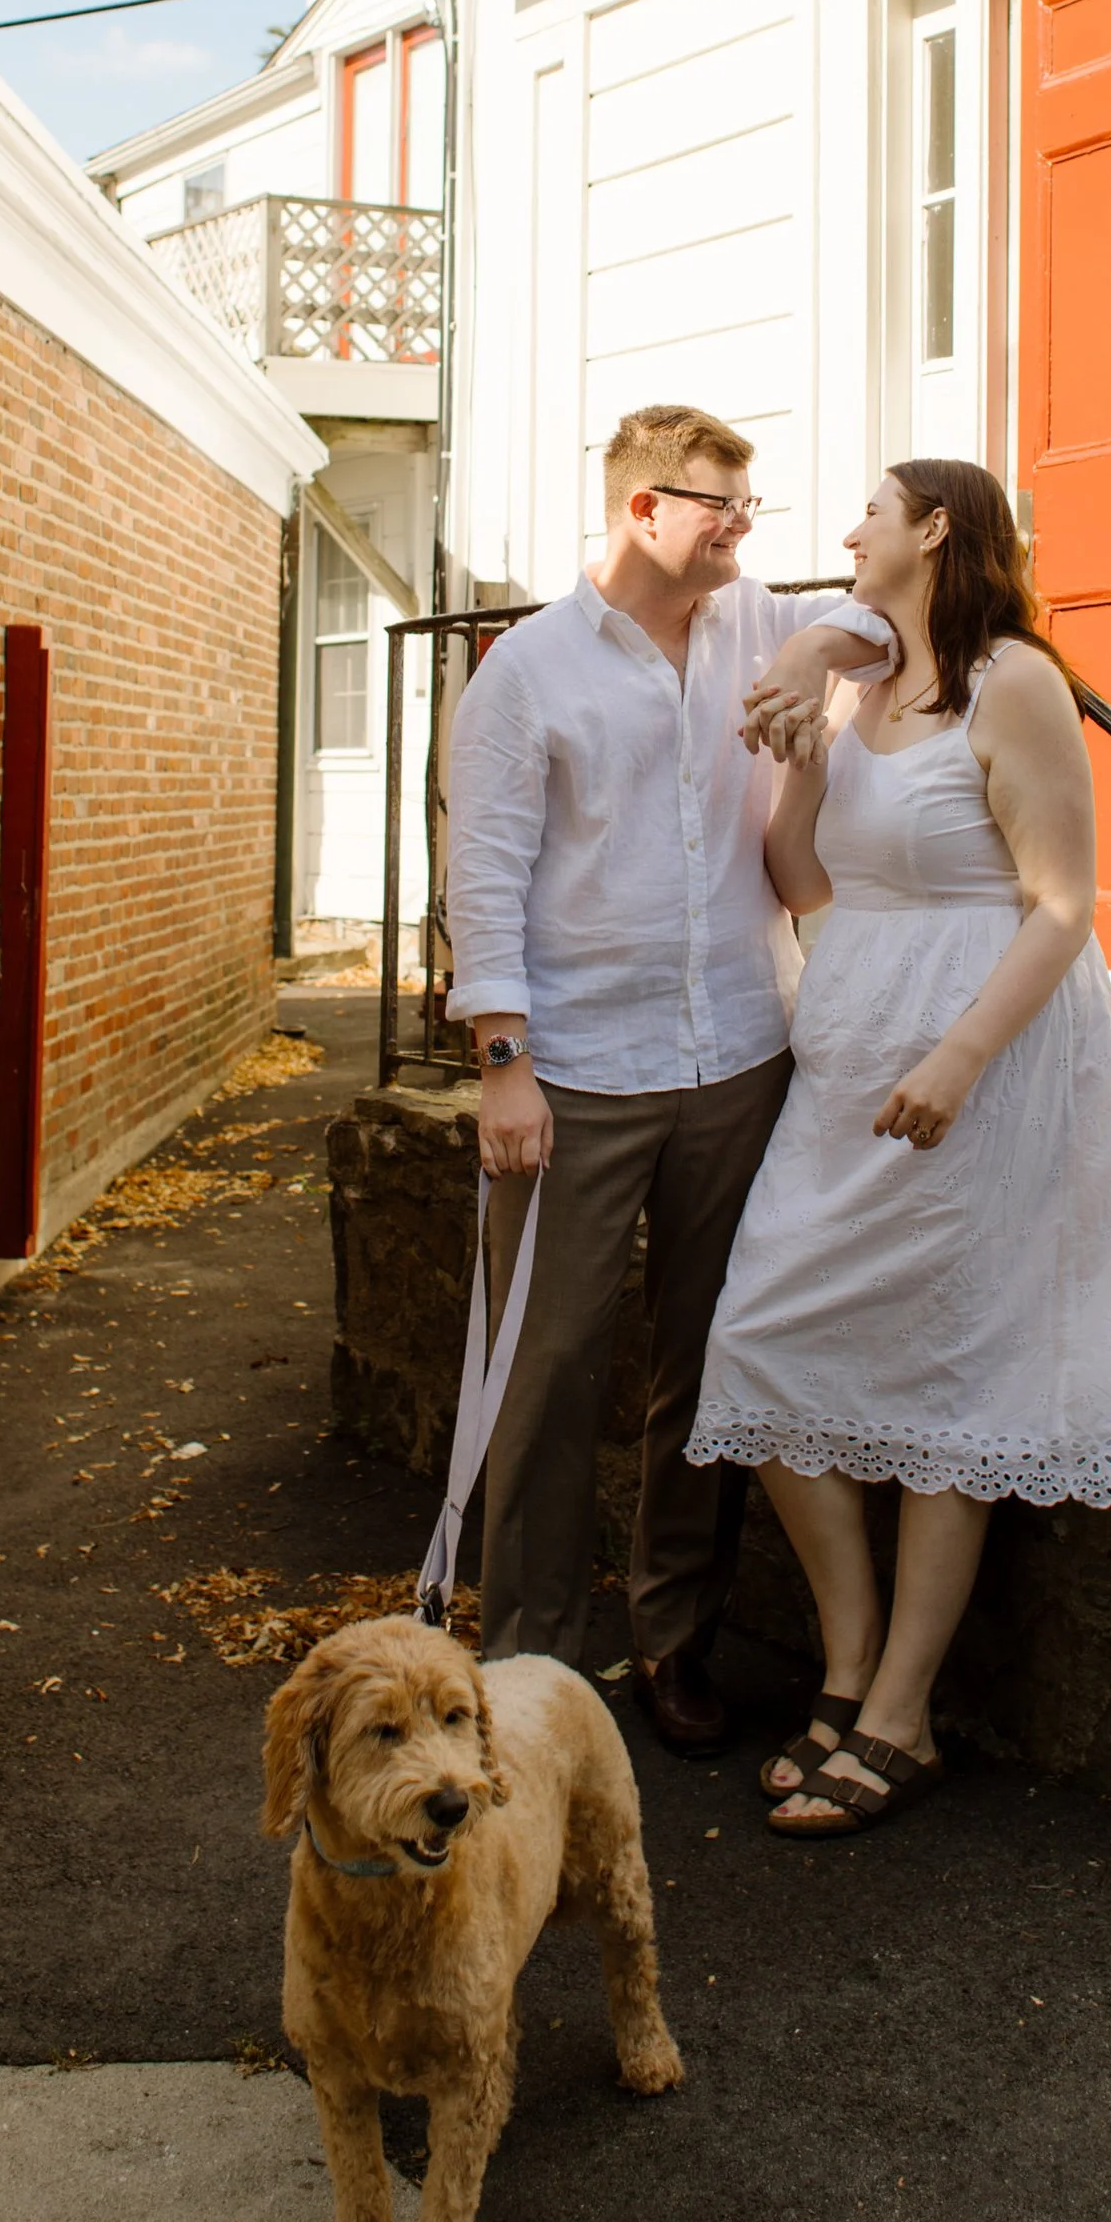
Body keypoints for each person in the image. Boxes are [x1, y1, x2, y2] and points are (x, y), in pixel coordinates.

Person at [690, 458, 1111, 1833]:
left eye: (871, 511)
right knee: (758, 1334)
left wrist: (959, 1052)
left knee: (962, 1370)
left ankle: (899, 1713)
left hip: (988, 1058)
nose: (847, 532)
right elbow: (807, 880)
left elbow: (1064, 904)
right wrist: (808, 761)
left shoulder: (1015, 680)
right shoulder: (862, 683)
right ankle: (845, 1660)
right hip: (850, 1063)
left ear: (937, 526)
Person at [444, 402, 898, 1753]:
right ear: (644, 508)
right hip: (577, 1066)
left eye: (748, 508)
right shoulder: (526, 671)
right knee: (553, 1365)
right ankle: (527, 1665)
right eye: (721, 505)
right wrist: (505, 1064)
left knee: (709, 1365)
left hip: (742, 1054)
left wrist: (817, 639)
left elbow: (882, 624)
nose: (744, 528)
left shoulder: (759, 624)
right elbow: (487, 876)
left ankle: (673, 1638)